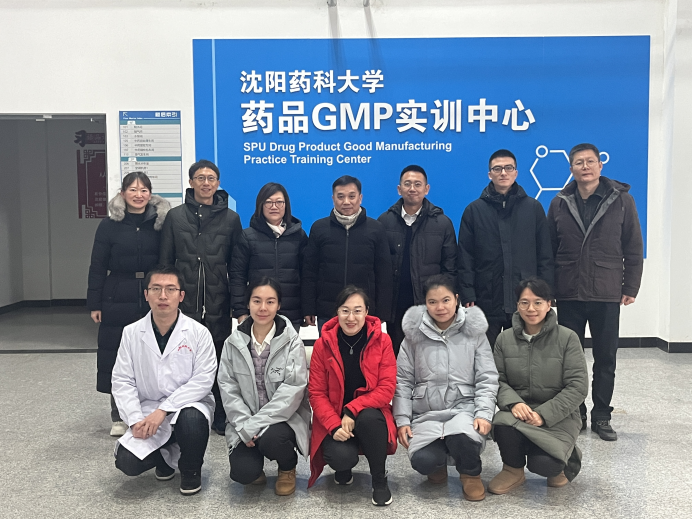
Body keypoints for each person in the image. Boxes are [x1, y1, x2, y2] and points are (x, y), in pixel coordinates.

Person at [547, 143, 643, 441]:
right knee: (569, 359)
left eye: (590, 161)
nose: (585, 167)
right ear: (571, 168)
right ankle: (575, 413)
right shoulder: (559, 202)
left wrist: (630, 286)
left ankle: (602, 415)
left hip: (606, 291)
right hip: (569, 291)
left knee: (605, 358)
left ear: (600, 165)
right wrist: (548, 290)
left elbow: (633, 246)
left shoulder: (622, 200)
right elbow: (548, 250)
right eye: (579, 162)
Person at [111, 265, 217, 496]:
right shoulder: (131, 333)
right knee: (127, 462)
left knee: (191, 419)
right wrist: (134, 420)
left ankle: (190, 469)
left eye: (170, 289)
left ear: (181, 296)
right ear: (146, 294)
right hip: (147, 408)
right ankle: (165, 459)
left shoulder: (199, 333)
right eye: (156, 289)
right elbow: (122, 381)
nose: (163, 296)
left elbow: (203, 380)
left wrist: (163, 410)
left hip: (190, 405)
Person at [393, 274, 498, 501]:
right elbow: (402, 381)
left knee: (462, 439)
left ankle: (470, 474)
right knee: (423, 461)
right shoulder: (413, 336)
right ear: (425, 304)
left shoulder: (474, 333)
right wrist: (402, 420)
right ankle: (437, 465)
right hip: (426, 412)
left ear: (457, 299)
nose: (440, 307)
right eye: (432, 302)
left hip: (464, 408)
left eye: (446, 300)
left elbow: (487, 377)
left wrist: (483, 413)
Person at [159, 159, 242, 435]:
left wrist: (237, 303)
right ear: (191, 182)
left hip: (218, 301)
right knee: (181, 360)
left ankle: (219, 414)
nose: (206, 183)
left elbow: (237, 265)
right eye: (200, 178)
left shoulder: (231, 219)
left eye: (211, 178)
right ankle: (182, 413)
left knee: (218, 361)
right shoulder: (175, 217)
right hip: (185, 303)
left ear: (218, 183)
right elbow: (165, 263)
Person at [87, 171, 170, 437]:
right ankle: (119, 415)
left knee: (151, 352)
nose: (138, 195)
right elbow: (97, 265)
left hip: (152, 293)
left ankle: (149, 410)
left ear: (150, 194)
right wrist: (95, 302)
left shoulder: (161, 223)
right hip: (117, 293)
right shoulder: (109, 225)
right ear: (122, 193)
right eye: (133, 190)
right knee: (117, 354)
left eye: (144, 190)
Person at [488, 277, 588, 494]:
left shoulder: (567, 338)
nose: (531, 309)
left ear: (549, 304)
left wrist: (543, 414)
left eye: (538, 302)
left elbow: (578, 386)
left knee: (544, 465)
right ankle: (512, 470)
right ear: (517, 305)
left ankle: (565, 457)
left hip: (558, 416)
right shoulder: (504, 339)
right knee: (501, 424)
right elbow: (496, 380)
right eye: (524, 302)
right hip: (520, 412)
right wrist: (513, 403)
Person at [218, 277, 310, 496]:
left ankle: (287, 467)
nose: (263, 308)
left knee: (273, 440)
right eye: (257, 301)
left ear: (279, 305)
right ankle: (254, 464)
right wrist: (244, 424)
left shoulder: (292, 341)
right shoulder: (232, 343)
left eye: (270, 302)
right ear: (248, 303)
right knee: (243, 473)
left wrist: (255, 424)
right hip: (245, 420)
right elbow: (228, 388)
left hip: (283, 419)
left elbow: (292, 392)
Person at [308, 286, 397, 506]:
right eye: (345, 310)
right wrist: (333, 425)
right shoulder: (322, 344)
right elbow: (316, 393)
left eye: (357, 311)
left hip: (368, 413)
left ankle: (379, 480)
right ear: (337, 312)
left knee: (369, 419)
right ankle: (344, 467)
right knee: (340, 457)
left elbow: (386, 388)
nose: (351, 318)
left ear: (367, 312)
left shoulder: (383, 341)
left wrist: (352, 409)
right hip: (335, 416)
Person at [458, 149, 553, 348]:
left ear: (516, 173)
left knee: (523, 356)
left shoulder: (533, 208)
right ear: (489, 174)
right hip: (486, 298)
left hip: (525, 299)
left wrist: (546, 293)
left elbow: (545, 255)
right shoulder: (474, 211)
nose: (503, 173)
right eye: (497, 169)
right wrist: (467, 293)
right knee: (484, 356)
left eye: (508, 168)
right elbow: (465, 257)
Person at [378, 165, 457, 357]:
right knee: (397, 355)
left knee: (431, 356)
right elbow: (378, 267)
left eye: (417, 184)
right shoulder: (384, 221)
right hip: (395, 305)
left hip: (429, 303)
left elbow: (450, 267)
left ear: (426, 189)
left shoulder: (442, 223)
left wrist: (447, 301)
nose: (412, 188)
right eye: (407, 184)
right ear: (399, 189)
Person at [302, 175, 392, 334]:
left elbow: (384, 274)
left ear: (360, 198)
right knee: (329, 350)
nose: (346, 202)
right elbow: (309, 271)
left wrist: (383, 311)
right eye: (340, 196)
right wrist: (308, 307)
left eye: (352, 196)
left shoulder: (376, 229)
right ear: (333, 198)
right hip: (328, 310)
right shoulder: (319, 228)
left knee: (364, 350)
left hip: (364, 311)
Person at [229, 183, 308, 331]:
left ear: (286, 205)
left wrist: (307, 309)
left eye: (279, 202)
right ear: (261, 205)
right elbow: (237, 276)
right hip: (258, 313)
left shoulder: (299, 236)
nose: (274, 206)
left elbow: (307, 275)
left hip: (291, 313)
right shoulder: (247, 237)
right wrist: (240, 311)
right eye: (269, 202)